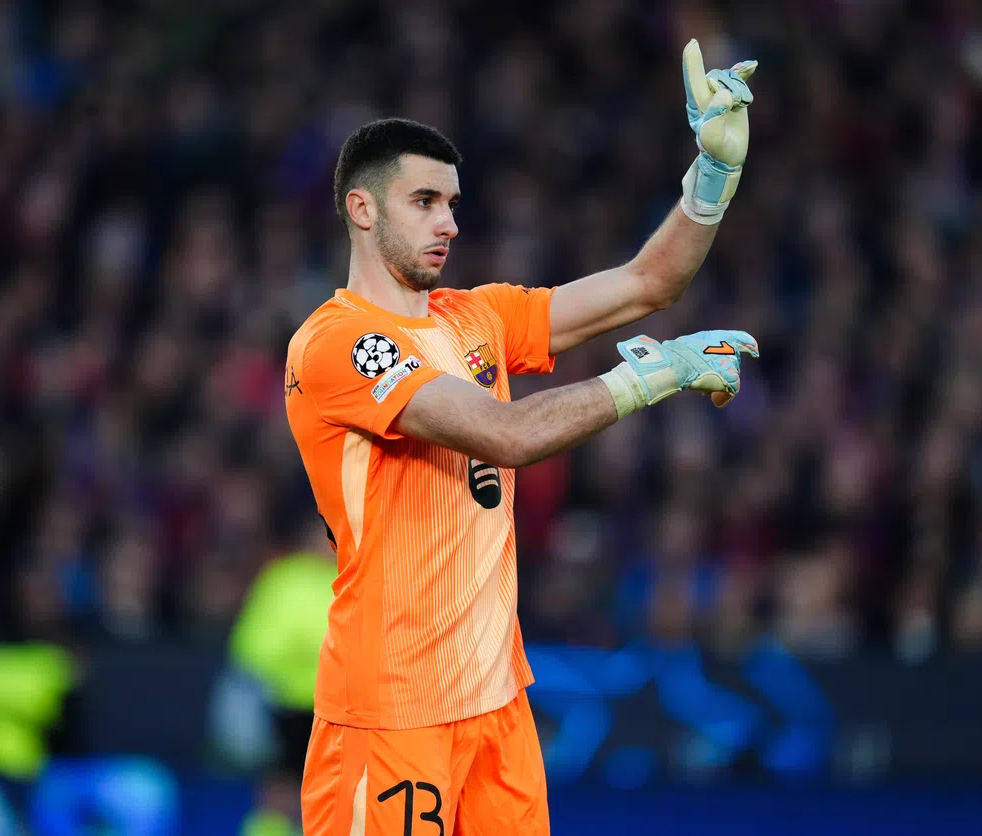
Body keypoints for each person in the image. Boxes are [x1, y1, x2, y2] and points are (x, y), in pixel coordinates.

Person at [285, 40, 759, 835]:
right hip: (392, 710)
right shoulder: (337, 344)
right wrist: (656, 375)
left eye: (452, 203)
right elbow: (504, 435)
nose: (448, 223)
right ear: (362, 210)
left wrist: (711, 175)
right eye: (424, 201)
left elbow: (648, 283)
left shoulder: (475, 316)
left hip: (495, 702)